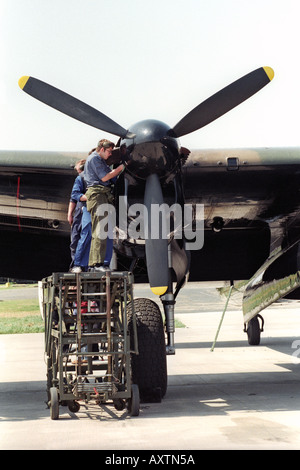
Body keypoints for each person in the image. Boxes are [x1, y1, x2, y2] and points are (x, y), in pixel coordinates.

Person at [84, 139, 126, 272]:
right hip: (98, 195)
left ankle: (97, 263)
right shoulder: (94, 159)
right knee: (99, 230)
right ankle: (96, 264)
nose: (110, 155)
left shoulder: (100, 160)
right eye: (108, 152)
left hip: (102, 195)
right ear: (102, 149)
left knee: (103, 229)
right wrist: (122, 167)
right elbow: (105, 177)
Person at [67, 159, 87, 270]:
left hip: (85, 209)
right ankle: (76, 265)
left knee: (82, 239)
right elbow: (73, 197)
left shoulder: (83, 177)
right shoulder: (80, 179)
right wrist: (70, 214)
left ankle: (80, 265)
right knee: (75, 240)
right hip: (79, 210)